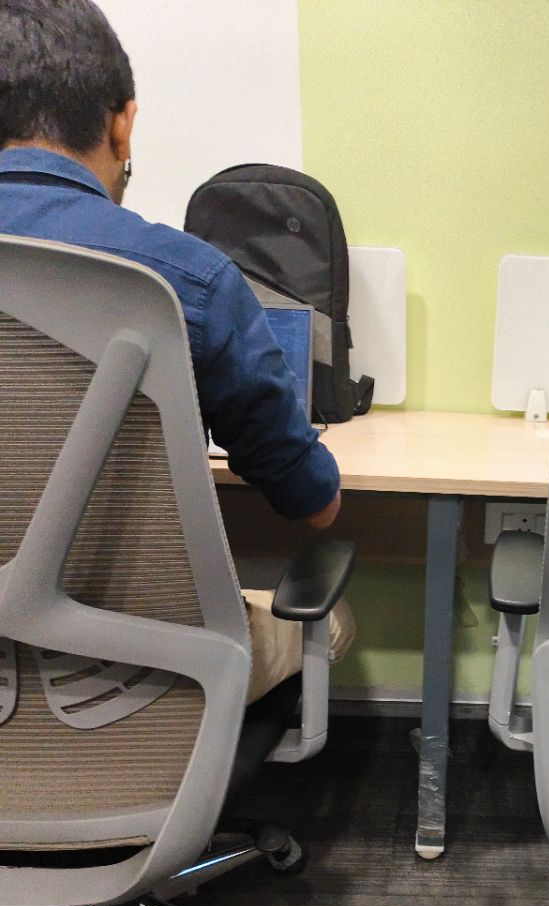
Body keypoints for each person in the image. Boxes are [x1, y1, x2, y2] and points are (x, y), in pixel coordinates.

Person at [0, 0, 354, 699]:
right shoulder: (188, 279)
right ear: (122, 123)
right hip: (138, 677)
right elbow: (311, 502)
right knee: (332, 621)